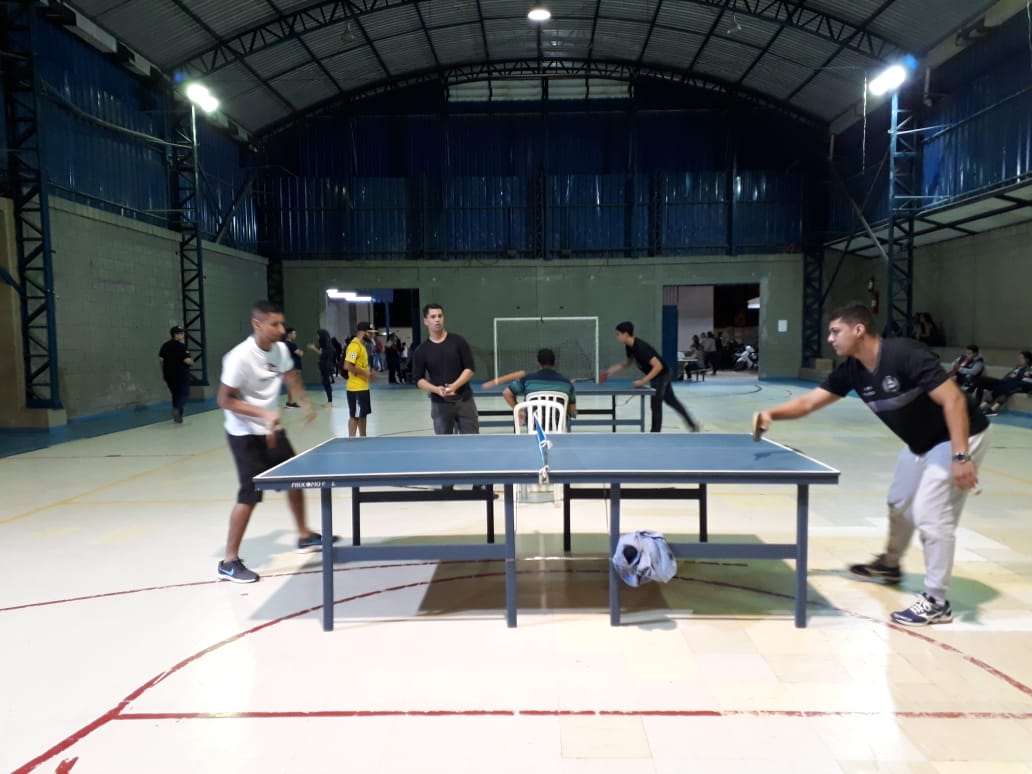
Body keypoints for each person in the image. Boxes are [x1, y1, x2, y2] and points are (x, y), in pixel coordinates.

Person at [754, 302, 990, 626]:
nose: (830, 338)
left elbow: (953, 399)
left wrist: (961, 456)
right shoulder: (852, 370)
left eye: (835, 331)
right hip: (920, 443)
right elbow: (809, 402)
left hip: (959, 434)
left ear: (858, 329)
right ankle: (890, 564)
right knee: (899, 503)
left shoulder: (905, 354)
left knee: (930, 513)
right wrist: (771, 414)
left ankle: (936, 601)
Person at [216, 300, 333, 584]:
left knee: (295, 478)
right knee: (250, 494)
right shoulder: (240, 357)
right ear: (257, 324)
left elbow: (290, 376)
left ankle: (303, 535)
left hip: (272, 429)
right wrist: (263, 414)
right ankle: (229, 561)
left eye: (282, 323)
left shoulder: (279, 350)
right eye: (275, 324)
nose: (282, 329)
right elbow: (224, 399)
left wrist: (304, 402)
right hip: (244, 434)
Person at [602, 321, 700, 433]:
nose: (617, 337)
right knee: (671, 401)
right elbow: (627, 363)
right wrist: (610, 371)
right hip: (662, 373)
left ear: (626, 334)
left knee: (656, 405)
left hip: (661, 375)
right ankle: (693, 425)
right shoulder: (629, 346)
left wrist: (643, 381)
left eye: (618, 334)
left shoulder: (641, 348)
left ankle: (655, 433)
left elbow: (658, 366)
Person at [410, 302, 479, 435]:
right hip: (439, 404)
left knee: (472, 440)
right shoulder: (421, 351)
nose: (437, 319)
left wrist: (454, 386)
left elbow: (470, 368)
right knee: (443, 443)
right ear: (426, 321)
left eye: (440, 316)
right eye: (433, 316)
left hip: (465, 400)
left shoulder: (458, 342)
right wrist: (436, 390)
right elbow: (418, 380)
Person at [487, 347, 578, 428]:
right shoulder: (566, 383)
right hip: (559, 428)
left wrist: (519, 410)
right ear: (554, 363)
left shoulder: (527, 380)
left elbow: (506, 393)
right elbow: (572, 413)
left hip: (533, 427)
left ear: (538, 363)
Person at [343, 321, 376, 437]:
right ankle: (351, 440)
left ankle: (363, 437)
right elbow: (347, 365)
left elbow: (360, 365)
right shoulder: (354, 346)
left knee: (363, 414)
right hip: (355, 388)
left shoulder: (362, 346)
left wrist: (369, 373)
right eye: (370, 333)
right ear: (363, 332)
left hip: (363, 387)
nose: (372, 335)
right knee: (355, 416)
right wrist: (364, 373)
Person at [978, 350, 1032, 416]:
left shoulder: (1030, 368)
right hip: (1008, 383)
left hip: (1020, 385)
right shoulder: (1018, 367)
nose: (1019, 359)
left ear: (1027, 359)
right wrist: (1012, 376)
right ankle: (988, 409)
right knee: (996, 386)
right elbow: (1008, 375)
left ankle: (985, 409)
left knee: (1002, 388)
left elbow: (1025, 379)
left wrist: (1019, 375)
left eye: (1022, 358)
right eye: (1019, 357)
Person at [158, 325, 193, 423]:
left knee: (176, 395)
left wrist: (164, 372)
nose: (182, 335)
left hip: (169, 375)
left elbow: (161, 360)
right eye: (181, 333)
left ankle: (178, 417)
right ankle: (177, 409)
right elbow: (187, 360)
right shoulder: (182, 347)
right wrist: (192, 362)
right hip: (181, 375)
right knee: (185, 394)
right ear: (175, 334)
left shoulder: (165, 346)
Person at [308, 329, 336, 407]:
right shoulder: (323, 345)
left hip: (327, 367)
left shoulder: (328, 346)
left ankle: (330, 401)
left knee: (327, 383)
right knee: (325, 382)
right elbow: (321, 353)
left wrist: (314, 348)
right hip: (323, 366)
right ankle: (329, 401)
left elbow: (323, 354)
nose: (317, 336)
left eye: (318, 335)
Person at [283, 327, 304, 407]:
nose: (295, 335)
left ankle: (291, 401)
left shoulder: (284, 344)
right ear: (289, 334)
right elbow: (300, 353)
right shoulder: (292, 345)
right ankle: (290, 402)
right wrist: (301, 352)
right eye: (294, 333)